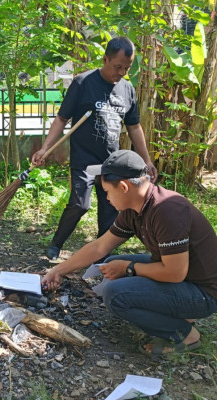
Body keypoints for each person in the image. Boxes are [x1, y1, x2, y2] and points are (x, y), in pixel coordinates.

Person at [42, 150, 217, 357]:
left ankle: (185, 334)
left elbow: (175, 273)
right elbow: (100, 246)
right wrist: (58, 270)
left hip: (204, 293)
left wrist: (129, 268)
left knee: (115, 294)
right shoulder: (134, 208)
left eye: (107, 191)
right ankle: (178, 313)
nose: (106, 198)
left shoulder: (167, 210)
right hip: (184, 278)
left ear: (124, 187)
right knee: (112, 261)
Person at [32, 36, 157, 260]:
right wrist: (45, 148)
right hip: (84, 157)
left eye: (127, 68)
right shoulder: (83, 82)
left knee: (110, 208)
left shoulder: (127, 89)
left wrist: (146, 161)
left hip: (111, 161)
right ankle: (56, 243)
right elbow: (61, 119)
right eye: (118, 66)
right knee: (79, 203)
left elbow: (134, 126)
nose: (121, 73)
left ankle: (102, 254)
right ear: (105, 59)